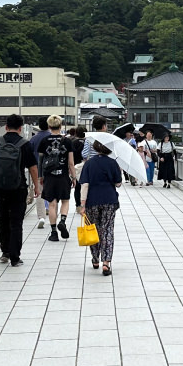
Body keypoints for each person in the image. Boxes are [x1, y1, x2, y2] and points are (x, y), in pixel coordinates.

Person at [0, 114, 40, 267]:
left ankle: (5, 252)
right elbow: (33, 168)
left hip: (0, 188)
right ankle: (15, 257)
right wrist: (36, 187)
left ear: (6, 127)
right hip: (18, 187)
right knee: (16, 221)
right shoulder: (25, 144)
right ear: (20, 128)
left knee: (3, 218)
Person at [79, 138, 123, 275]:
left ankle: (95, 259)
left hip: (92, 200)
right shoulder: (113, 163)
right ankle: (106, 263)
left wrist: (82, 204)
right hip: (109, 199)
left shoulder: (89, 163)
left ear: (96, 148)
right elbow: (118, 184)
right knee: (108, 229)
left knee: (94, 229)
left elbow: (85, 185)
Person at [37, 115, 76, 242]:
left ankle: (54, 233)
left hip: (49, 176)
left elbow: (41, 160)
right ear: (60, 126)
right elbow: (71, 163)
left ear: (49, 126)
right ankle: (63, 221)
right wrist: (74, 177)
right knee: (65, 200)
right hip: (63, 176)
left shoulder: (44, 141)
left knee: (52, 204)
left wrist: (40, 176)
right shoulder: (67, 141)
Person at [28, 117, 52, 228]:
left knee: (40, 194)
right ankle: (52, 215)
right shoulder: (53, 137)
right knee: (52, 193)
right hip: (52, 170)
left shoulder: (34, 139)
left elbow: (30, 156)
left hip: (38, 170)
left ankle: (41, 217)